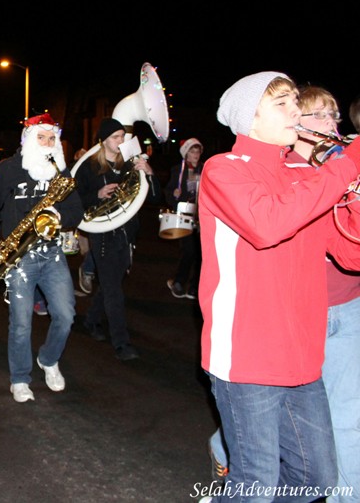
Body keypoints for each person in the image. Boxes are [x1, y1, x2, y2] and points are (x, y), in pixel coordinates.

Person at [196, 72, 360, 503]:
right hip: (247, 355)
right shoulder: (223, 169)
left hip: (302, 356)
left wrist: (354, 194)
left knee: (316, 480)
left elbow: (350, 254)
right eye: (282, 104)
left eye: (294, 102)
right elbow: (268, 224)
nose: (296, 111)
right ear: (250, 120)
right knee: (256, 485)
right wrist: (345, 167)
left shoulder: (304, 174)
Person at [0, 113, 84, 402]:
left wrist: (59, 215)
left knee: (66, 315)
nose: (47, 143)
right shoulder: (10, 168)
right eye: (42, 137)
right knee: (21, 322)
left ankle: (48, 359)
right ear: (29, 139)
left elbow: (77, 211)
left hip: (52, 253)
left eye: (52, 138)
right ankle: (20, 378)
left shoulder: (61, 171)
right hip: (18, 258)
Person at [74, 118, 162, 361]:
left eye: (123, 136)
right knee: (114, 290)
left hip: (127, 232)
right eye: (116, 137)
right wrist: (97, 194)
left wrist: (149, 172)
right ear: (103, 140)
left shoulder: (130, 164)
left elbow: (155, 198)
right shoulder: (89, 166)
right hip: (102, 234)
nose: (121, 141)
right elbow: (73, 200)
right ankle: (121, 343)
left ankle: (91, 320)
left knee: (112, 283)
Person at [163, 137, 203, 299]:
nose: (195, 155)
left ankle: (194, 287)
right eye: (192, 152)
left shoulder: (205, 169)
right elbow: (168, 193)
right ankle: (178, 282)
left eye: (197, 151)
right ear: (186, 154)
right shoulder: (178, 171)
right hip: (184, 215)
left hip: (201, 217)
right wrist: (174, 195)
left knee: (201, 253)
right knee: (188, 251)